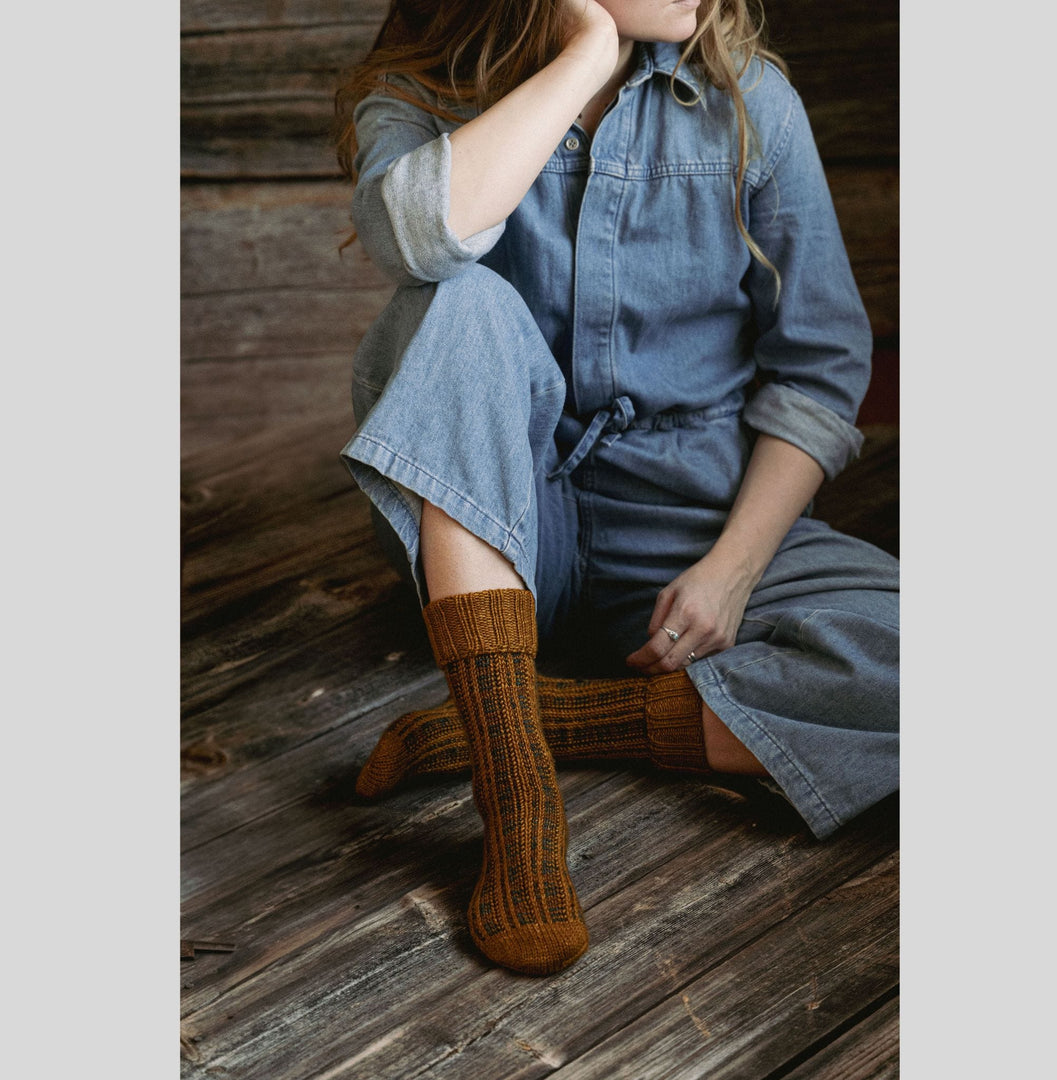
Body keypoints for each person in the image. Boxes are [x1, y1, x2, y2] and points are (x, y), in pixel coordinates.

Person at [333, 0, 899, 978]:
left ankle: (529, 716)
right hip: (498, 525)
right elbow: (418, 237)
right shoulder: (424, 97)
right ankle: (516, 803)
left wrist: (730, 570)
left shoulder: (749, 104)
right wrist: (585, 47)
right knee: (461, 299)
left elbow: (817, 368)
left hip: (687, 527)